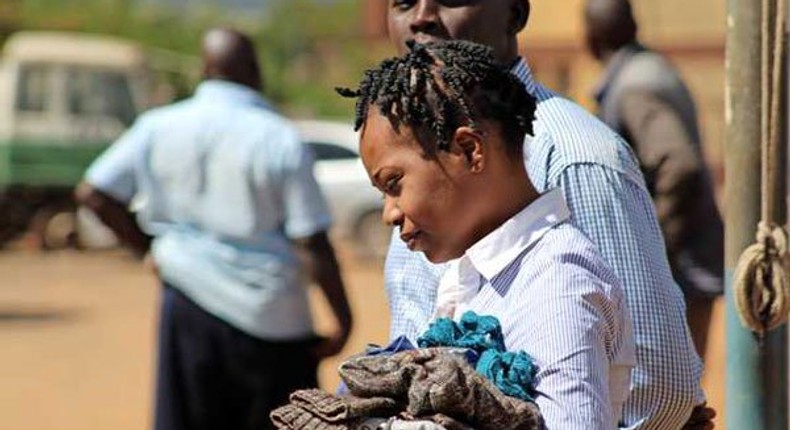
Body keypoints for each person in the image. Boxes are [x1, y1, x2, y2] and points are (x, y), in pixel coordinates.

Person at [382, 1, 710, 429]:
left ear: (515, 14)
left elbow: (654, 386)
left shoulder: (573, 159)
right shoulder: (409, 151)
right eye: (403, 2)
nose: (422, 16)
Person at [340, 39, 635, 429]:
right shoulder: (478, 270)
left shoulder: (555, 283)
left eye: (394, 183)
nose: (388, 213)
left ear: (468, 150)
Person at [75, 28, 353, 430]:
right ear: (255, 71)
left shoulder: (157, 126)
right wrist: (342, 320)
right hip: (271, 315)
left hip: (186, 300)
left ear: (205, 69)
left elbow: (95, 192)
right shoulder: (278, 137)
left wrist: (149, 248)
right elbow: (310, 238)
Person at [584, 0, 724, 359]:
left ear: (591, 37)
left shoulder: (635, 85)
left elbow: (679, 165)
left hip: (678, 271)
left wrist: (652, 249)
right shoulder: (648, 70)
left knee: (671, 397)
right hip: (685, 265)